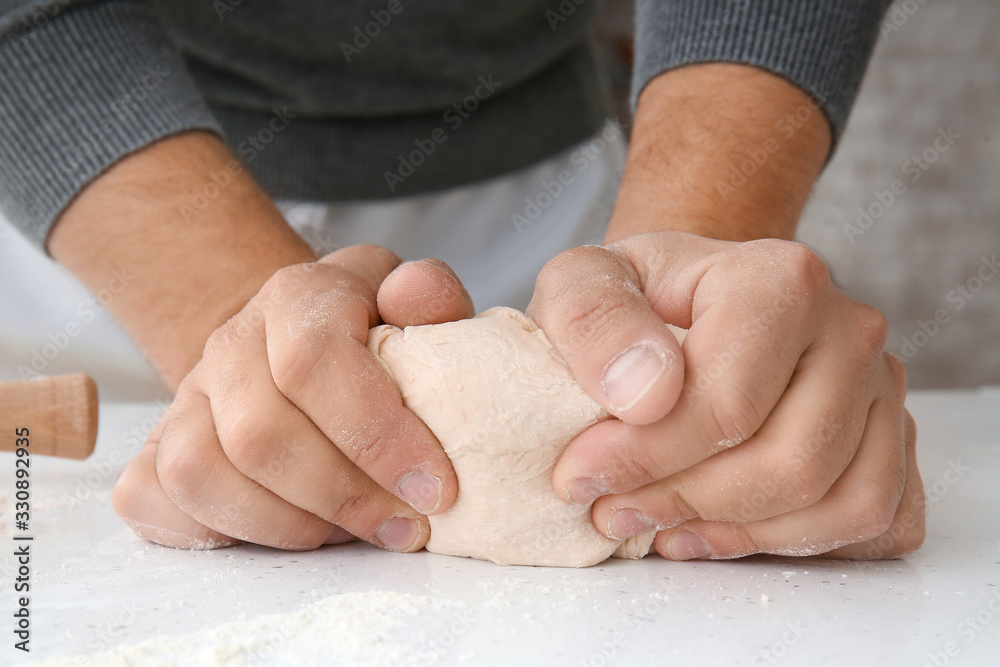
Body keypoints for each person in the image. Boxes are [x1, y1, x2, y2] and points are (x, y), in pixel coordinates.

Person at [0, 0, 925, 561]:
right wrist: (249, 349)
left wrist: (688, 303)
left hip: (549, 202)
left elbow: (673, 364)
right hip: (93, 212)